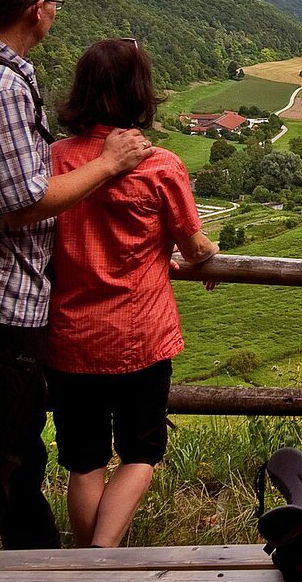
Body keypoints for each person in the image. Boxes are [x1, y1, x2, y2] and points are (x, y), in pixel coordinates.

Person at [0, 0, 153, 554]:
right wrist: (107, 165)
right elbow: (21, 203)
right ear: (37, 10)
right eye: (55, 1)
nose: (55, 12)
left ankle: (40, 558)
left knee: (18, 448)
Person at [46, 37, 219, 548]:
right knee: (141, 452)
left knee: (84, 461)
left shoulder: (55, 160)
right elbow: (194, 246)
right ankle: (101, 560)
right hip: (140, 335)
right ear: (141, 93)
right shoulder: (161, 165)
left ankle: (86, 563)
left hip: (70, 337)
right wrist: (208, 254)